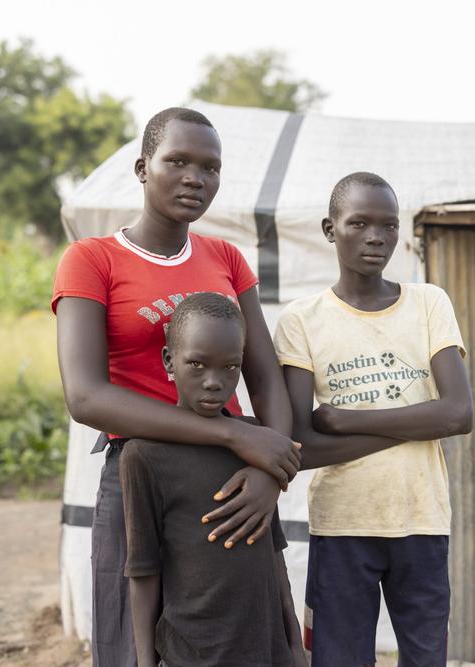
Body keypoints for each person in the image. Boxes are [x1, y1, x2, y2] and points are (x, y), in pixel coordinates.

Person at [53, 107, 301, 667]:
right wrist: (236, 439)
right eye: (178, 161)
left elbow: (264, 374)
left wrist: (269, 471)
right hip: (139, 470)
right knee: (131, 638)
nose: (196, 177)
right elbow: (86, 396)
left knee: (248, 634)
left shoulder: (226, 258)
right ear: (143, 168)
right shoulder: (92, 261)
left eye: (210, 167)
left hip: (229, 483)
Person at [274, 171, 474, 666]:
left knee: (427, 658)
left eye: (388, 225)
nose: (375, 237)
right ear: (329, 228)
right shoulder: (302, 319)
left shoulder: (429, 302)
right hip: (341, 524)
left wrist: (346, 420)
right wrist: (414, 425)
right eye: (359, 223)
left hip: (421, 519)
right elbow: (302, 445)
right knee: (338, 659)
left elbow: (459, 413)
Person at [121, 292, 305, 667]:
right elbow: (143, 571)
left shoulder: (256, 442)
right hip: (192, 652)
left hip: (266, 650)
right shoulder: (143, 455)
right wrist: (143, 662)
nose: (214, 382)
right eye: (198, 364)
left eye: (230, 367)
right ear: (169, 361)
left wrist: (295, 648)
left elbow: (274, 558)